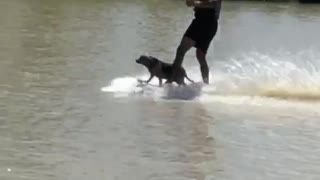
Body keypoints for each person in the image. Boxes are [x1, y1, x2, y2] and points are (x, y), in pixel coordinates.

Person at [170, 0, 222, 84]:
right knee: (200, 56)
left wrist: (195, 3)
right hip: (201, 21)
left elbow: (214, 4)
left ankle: (173, 78)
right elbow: (189, 3)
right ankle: (206, 83)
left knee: (182, 50)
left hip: (207, 23)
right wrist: (192, 3)